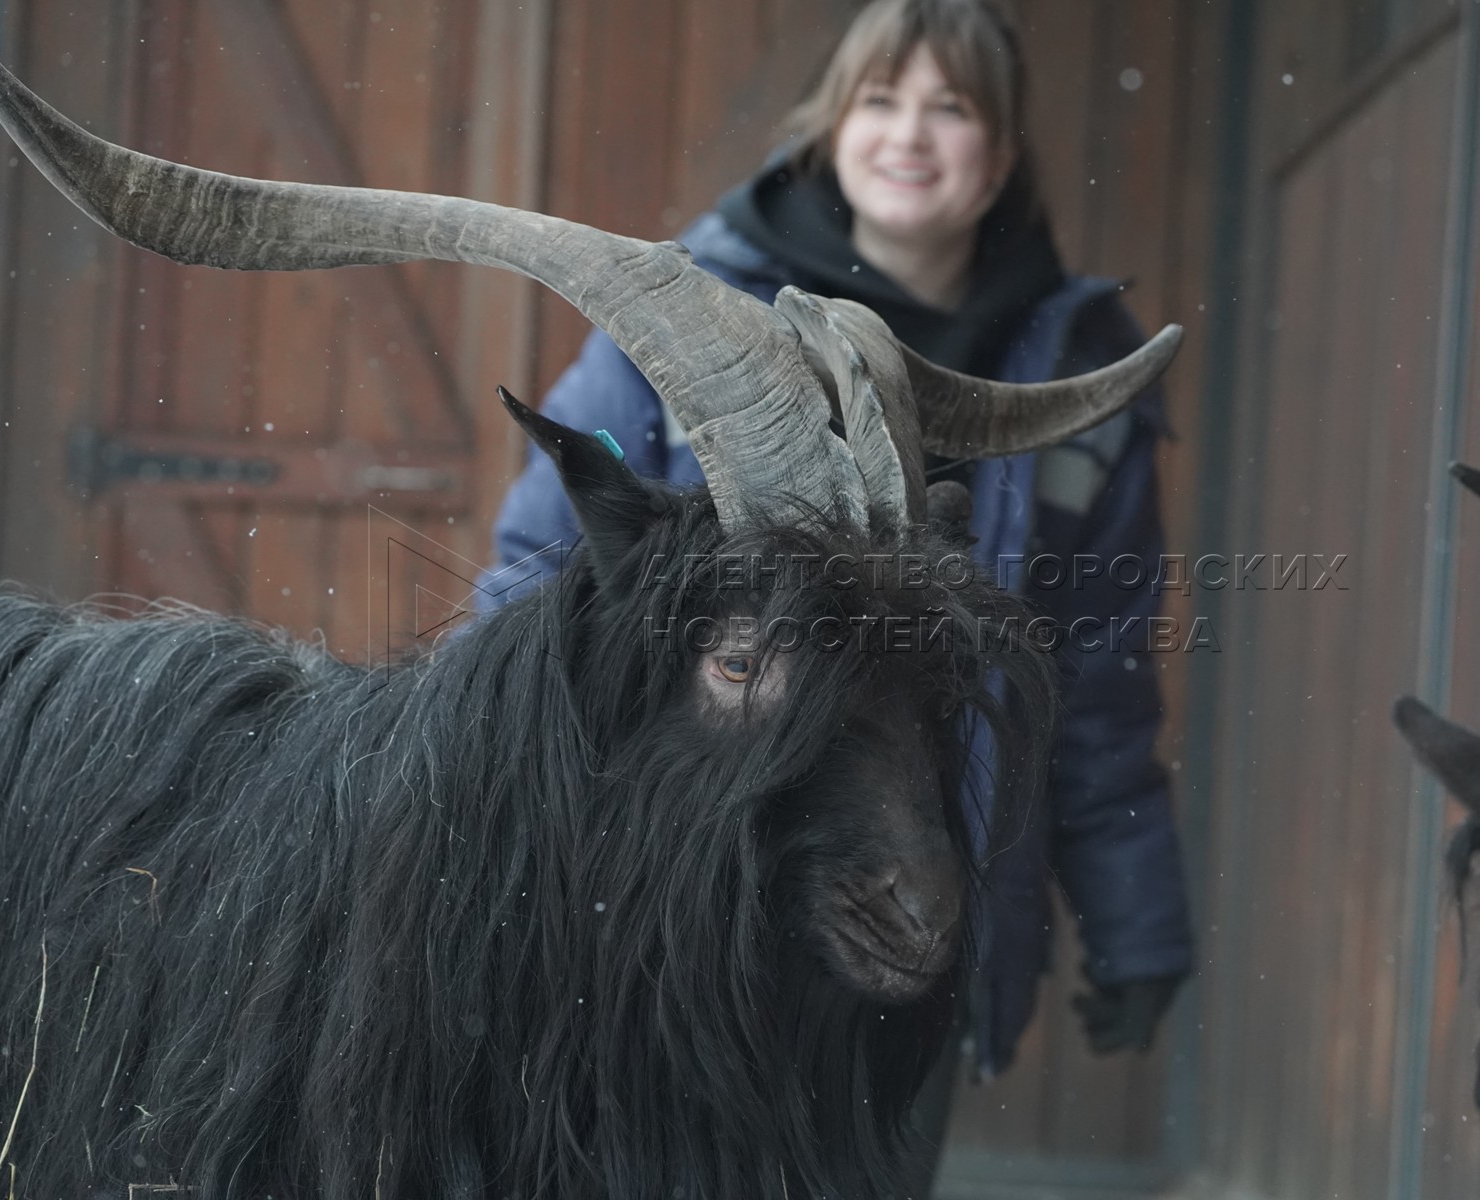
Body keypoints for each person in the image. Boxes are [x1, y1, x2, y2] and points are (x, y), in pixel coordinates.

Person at [481, 0, 1192, 1182]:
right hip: (678, 912)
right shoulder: (682, 318)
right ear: (829, 128)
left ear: (1000, 156)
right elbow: (535, 575)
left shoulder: (1076, 370)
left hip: (908, 911)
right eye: (880, 100)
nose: (908, 134)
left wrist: (1135, 922)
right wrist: (514, 836)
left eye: (950, 108)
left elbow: (1097, 684)